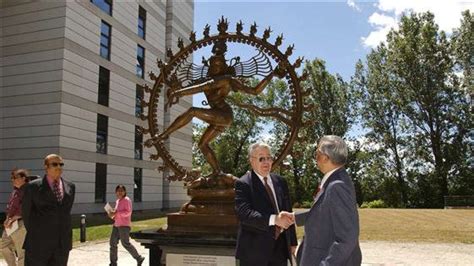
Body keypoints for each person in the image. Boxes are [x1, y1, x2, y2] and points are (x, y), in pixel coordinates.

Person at [296, 135, 362, 266]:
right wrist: (294, 218)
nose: (315, 157)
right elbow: (323, 212)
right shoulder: (336, 180)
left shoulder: (337, 186)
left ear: (325, 157)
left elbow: (347, 238)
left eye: (317, 153)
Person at [235, 142, 297, 266]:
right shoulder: (243, 184)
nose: (266, 162)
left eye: (269, 158)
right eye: (261, 158)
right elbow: (245, 215)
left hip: (280, 250)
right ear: (251, 161)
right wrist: (275, 220)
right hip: (254, 253)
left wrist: (292, 242)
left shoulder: (281, 182)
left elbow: (288, 212)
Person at [22, 154, 76, 266]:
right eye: (54, 164)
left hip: (62, 246)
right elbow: (26, 215)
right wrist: (38, 235)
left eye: (61, 164)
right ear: (46, 167)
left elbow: (65, 213)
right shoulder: (32, 187)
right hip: (38, 245)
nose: (59, 167)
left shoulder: (70, 186)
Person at [108, 185, 145, 266]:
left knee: (125, 243)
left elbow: (128, 212)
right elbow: (117, 213)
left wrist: (116, 213)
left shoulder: (126, 200)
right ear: (116, 192)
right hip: (116, 225)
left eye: (122, 190)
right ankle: (113, 263)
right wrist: (112, 214)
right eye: (118, 190)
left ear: (125, 192)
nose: (120, 192)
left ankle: (139, 258)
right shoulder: (118, 201)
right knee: (112, 243)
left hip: (124, 226)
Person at [1, 168, 29, 266]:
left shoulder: (28, 190)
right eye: (11, 178)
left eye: (15, 177)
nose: (12, 180)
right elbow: (10, 206)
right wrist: (7, 218)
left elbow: (26, 207)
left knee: (21, 251)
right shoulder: (15, 190)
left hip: (21, 223)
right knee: (3, 245)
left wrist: (13, 218)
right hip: (11, 223)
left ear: (23, 178)